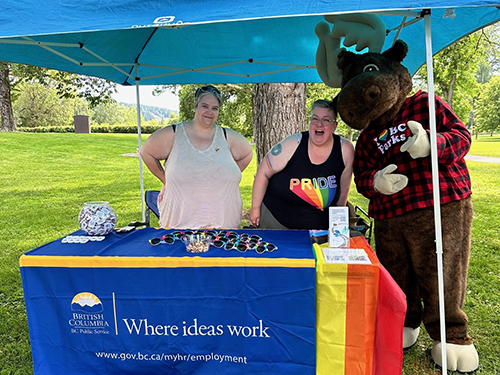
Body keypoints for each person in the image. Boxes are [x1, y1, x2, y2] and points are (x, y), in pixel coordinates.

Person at [140, 85, 253, 229]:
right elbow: (146, 152)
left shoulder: (227, 137)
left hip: (224, 227)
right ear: (195, 106)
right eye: (204, 106)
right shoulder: (174, 134)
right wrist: (166, 179)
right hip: (179, 226)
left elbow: (248, 154)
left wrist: (224, 175)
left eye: (215, 108)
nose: (209, 112)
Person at [250, 99, 354, 229]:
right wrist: (255, 208)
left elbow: (343, 190)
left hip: (319, 228)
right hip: (277, 221)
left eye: (326, 120)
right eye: (315, 119)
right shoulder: (292, 144)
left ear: (334, 126)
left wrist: (337, 222)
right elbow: (263, 172)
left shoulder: (345, 149)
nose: (319, 124)